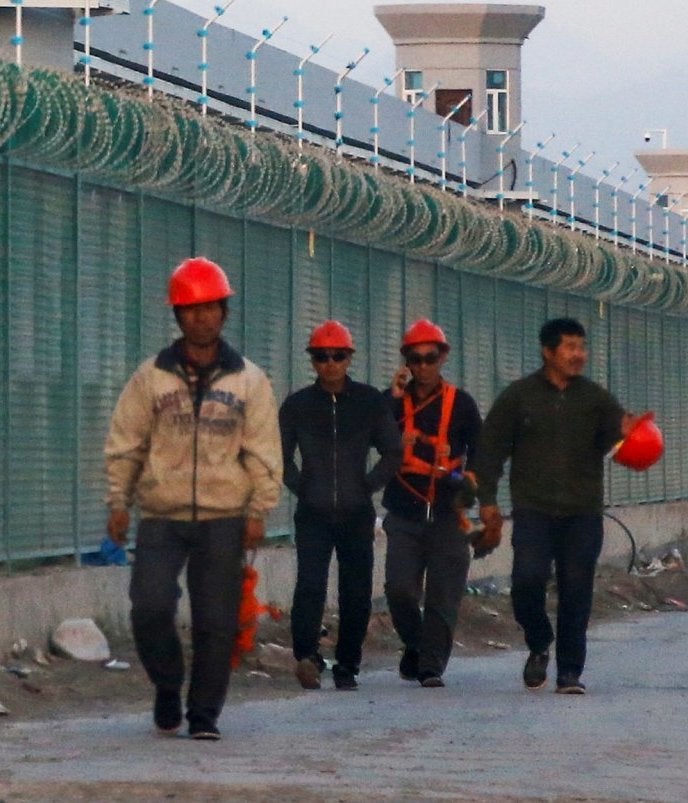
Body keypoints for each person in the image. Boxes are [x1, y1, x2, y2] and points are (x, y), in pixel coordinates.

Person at [104, 256, 283, 741]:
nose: (201, 318)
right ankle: (167, 684)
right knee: (150, 605)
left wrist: (257, 509)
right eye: (190, 309)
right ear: (177, 316)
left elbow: (263, 450)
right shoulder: (151, 378)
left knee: (216, 621)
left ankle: (204, 714)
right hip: (162, 514)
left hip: (225, 516)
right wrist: (118, 501)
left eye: (210, 308)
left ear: (224, 312)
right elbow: (126, 441)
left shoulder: (249, 380)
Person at [472, 315, 629, 695]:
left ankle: (570, 672)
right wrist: (487, 501)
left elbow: (624, 441)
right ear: (548, 351)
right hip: (534, 511)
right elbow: (489, 452)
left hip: (583, 513)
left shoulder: (595, 399)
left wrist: (633, 433)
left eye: (582, 347)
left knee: (577, 589)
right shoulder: (518, 397)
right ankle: (539, 641)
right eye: (570, 347)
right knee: (526, 580)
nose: (579, 355)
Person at [279, 319, 398, 690]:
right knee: (310, 585)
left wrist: (368, 486)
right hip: (313, 514)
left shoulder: (368, 402)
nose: (329, 363)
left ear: (349, 359)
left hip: (356, 513)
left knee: (356, 590)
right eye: (321, 357)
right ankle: (307, 657)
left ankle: (348, 664)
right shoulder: (298, 405)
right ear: (312, 361)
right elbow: (279, 457)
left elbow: (393, 450)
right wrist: (304, 489)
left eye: (337, 356)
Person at [381, 318, 484, 687]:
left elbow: (481, 451)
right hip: (404, 512)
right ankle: (417, 643)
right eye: (415, 359)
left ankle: (431, 666)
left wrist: (471, 486)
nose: (423, 366)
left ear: (442, 357)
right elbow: (371, 433)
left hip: (447, 513)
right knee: (399, 589)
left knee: (443, 595)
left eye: (430, 358)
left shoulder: (461, 404)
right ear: (406, 362)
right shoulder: (393, 403)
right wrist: (391, 398)